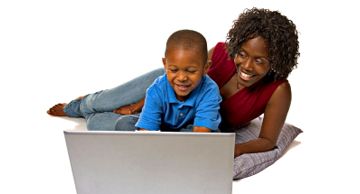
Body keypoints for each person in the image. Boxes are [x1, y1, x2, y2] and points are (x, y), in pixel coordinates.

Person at [48, 8, 299, 156]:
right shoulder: (221, 53)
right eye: (242, 54)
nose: (246, 66)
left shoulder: (278, 90)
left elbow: (267, 141)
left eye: (259, 61)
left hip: (190, 124)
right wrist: (137, 105)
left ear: (275, 60)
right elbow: (178, 81)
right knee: (111, 100)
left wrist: (229, 151)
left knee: (109, 125)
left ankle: (93, 118)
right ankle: (82, 105)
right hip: (169, 100)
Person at [49, 30, 222, 132]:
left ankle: (88, 114)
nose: (182, 77)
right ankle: (80, 105)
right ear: (165, 65)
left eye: (191, 71)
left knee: (95, 123)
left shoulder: (209, 90)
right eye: (174, 69)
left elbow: (201, 137)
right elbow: (146, 136)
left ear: (206, 68)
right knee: (108, 103)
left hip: (170, 126)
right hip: (158, 115)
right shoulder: (158, 88)